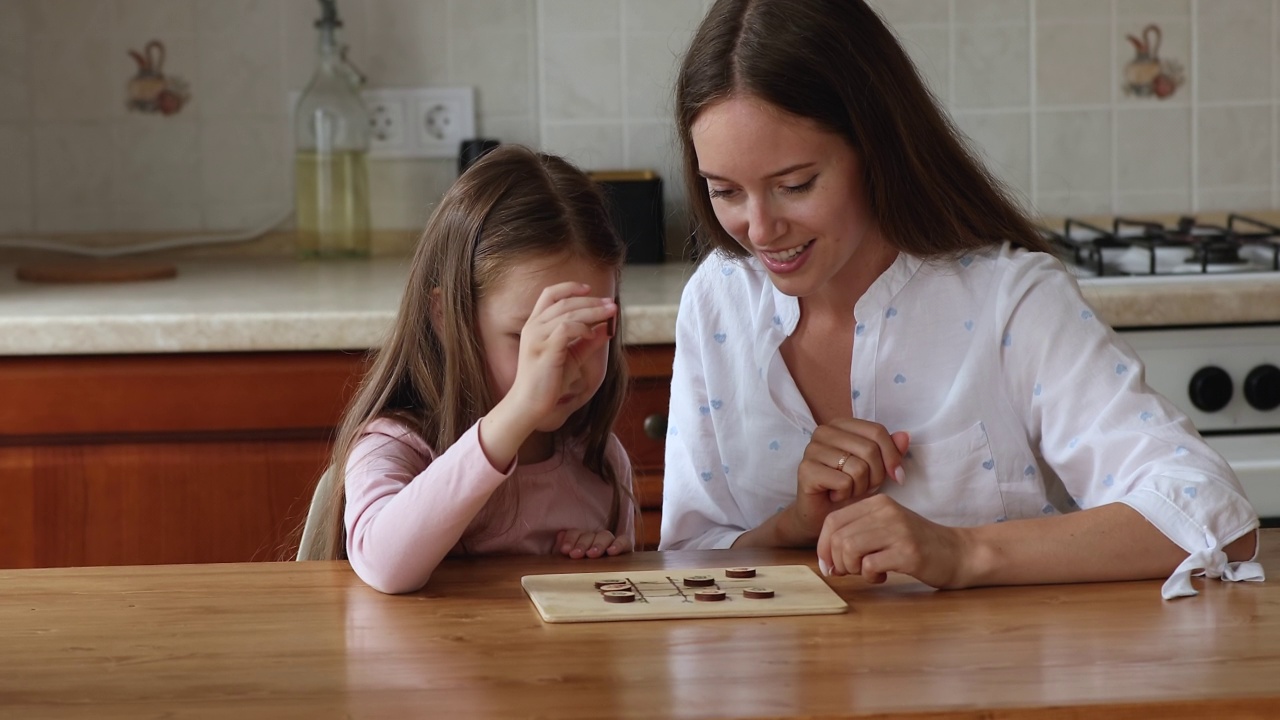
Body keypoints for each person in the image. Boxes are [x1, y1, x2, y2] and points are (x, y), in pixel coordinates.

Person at [659, 0, 1262, 599]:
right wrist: (795, 525)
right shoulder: (717, 302)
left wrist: (963, 550)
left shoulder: (1009, 301)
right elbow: (686, 558)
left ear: (875, 149)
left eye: (795, 185)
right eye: (725, 191)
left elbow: (1213, 514)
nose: (759, 230)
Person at [306, 145, 635, 594]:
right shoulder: (393, 447)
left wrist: (599, 561)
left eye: (588, 330)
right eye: (527, 339)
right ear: (447, 316)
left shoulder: (599, 460)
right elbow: (386, 565)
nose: (563, 367)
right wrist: (518, 410)